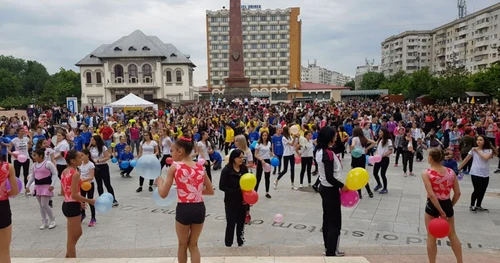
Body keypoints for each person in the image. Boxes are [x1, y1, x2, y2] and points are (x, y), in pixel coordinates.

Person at [156, 136, 214, 263]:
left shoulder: (175, 167)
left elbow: (163, 194)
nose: (171, 154)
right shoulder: (200, 167)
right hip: (199, 208)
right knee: (193, 245)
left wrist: (160, 182)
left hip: (184, 208)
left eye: (173, 151)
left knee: (182, 244)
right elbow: (210, 191)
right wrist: (194, 191)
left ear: (180, 151)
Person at [421, 148, 463, 263]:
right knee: (452, 234)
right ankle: (460, 261)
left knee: (431, 236)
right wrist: (449, 207)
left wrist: (440, 211)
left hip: (432, 206)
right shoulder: (451, 172)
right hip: (447, 203)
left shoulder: (427, 173)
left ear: (430, 158)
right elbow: (458, 193)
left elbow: (431, 194)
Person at [316, 126, 348, 257]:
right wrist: (342, 185)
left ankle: (329, 246)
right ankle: (331, 250)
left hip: (325, 188)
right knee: (334, 221)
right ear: (329, 138)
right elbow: (330, 176)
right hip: (330, 189)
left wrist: (337, 137)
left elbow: (341, 148)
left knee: (327, 218)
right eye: (334, 136)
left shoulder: (322, 150)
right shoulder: (327, 154)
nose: (336, 138)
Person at [61, 150, 95, 258]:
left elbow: (63, 192)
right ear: (73, 161)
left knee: (78, 232)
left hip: (68, 204)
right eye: (79, 158)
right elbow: (75, 194)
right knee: (71, 239)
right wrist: (90, 201)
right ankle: (72, 258)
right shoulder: (75, 174)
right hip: (71, 206)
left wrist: (79, 202)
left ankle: (68, 256)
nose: (82, 159)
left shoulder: (65, 171)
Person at [458, 135, 496, 212]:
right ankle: (472, 205)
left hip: (485, 173)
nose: (478, 141)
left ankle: (478, 205)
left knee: (483, 190)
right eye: (477, 140)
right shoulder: (472, 150)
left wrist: (478, 150)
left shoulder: (489, 150)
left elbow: (485, 157)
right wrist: (458, 169)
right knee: (477, 190)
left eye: (481, 140)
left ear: (484, 141)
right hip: (475, 172)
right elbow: (465, 160)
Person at [219, 149, 248, 247]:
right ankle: (228, 244)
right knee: (231, 223)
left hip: (242, 201)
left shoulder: (244, 169)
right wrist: (236, 191)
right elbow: (222, 186)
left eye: (242, 157)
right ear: (233, 158)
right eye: (239, 157)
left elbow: (248, 185)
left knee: (241, 223)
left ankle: (241, 242)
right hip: (230, 201)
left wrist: (247, 202)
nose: (241, 159)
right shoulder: (227, 170)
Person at [25, 149, 58, 229]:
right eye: (32, 155)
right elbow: (32, 176)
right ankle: (44, 221)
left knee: (44, 205)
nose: (33, 157)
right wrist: (27, 186)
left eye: (35, 155)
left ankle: (52, 220)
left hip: (46, 186)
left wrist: (52, 185)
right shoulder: (34, 165)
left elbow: (55, 174)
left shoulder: (48, 163)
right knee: (41, 205)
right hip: (38, 186)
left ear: (41, 156)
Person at [89, 135, 118, 206]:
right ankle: (101, 198)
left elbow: (107, 157)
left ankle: (113, 199)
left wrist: (98, 161)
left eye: (93, 140)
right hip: (96, 167)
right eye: (91, 140)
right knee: (99, 184)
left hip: (103, 166)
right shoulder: (91, 148)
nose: (91, 141)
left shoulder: (103, 147)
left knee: (107, 183)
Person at [0, 154, 18, 263]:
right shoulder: (8, 167)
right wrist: (4, 193)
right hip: (2, 205)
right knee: (4, 250)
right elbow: (15, 191)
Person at [350, 127, 375, 199]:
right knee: (362, 173)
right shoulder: (364, 138)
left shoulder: (354, 138)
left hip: (355, 157)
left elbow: (352, 145)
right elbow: (374, 142)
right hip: (362, 157)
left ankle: (359, 193)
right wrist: (367, 148)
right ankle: (369, 191)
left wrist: (351, 150)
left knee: (356, 175)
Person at [373, 128, 393, 194]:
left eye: (380, 132)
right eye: (379, 132)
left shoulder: (388, 141)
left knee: (382, 174)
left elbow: (390, 150)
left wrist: (384, 154)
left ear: (384, 133)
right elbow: (377, 149)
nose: (379, 133)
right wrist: (376, 154)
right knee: (375, 172)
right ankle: (379, 184)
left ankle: (385, 188)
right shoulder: (379, 140)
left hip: (385, 159)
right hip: (378, 158)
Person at [80, 149, 96, 227]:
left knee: (90, 200)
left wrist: (83, 180)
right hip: (81, 185)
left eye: (82, 155)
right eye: (80, 156)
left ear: (87, 155)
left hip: (89, 185)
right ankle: (83, 214)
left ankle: (93, 217)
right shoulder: (80, 164)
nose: (81, 157)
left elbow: (91, 176)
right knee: (82, 200)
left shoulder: (91, 165)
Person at [254, 131, 272, 198]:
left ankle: (267, 192)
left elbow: (269, 152)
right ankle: (255, 192)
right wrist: (261, 160)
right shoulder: (258, 144)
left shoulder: (269, 143)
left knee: (267, 177)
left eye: (266, 135)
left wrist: (273, 154)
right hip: (260, 161)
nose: (264, 137)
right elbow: (255, 154)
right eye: (263, 135)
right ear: (261, 136)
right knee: (258, 178)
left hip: (267, 161)